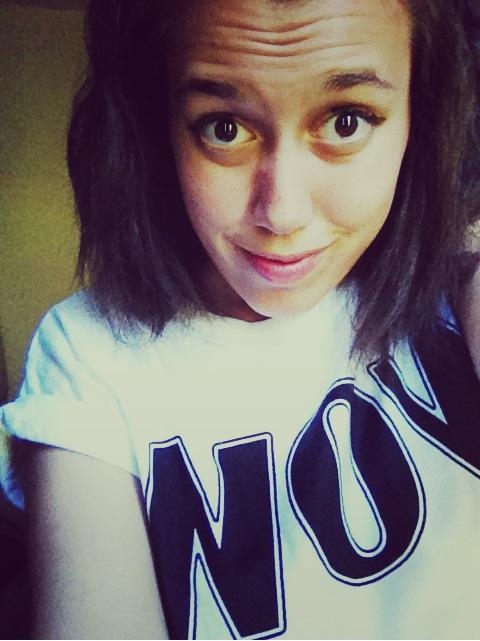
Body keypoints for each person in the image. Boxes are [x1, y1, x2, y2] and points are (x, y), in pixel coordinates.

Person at [1, 0, 480, 638]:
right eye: (224, 128)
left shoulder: (460, 285)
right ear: (156, 129)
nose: (282, 213)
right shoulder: (88, 353)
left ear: (419, 115)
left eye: (346, 121)